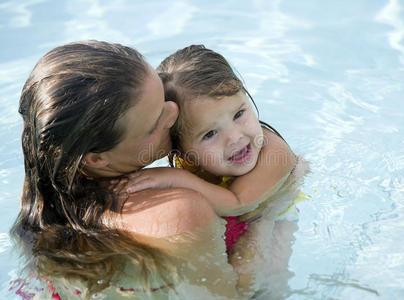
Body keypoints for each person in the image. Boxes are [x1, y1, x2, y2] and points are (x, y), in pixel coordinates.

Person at [10, 40, 303, 299]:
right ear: (96, 159)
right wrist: (269, 218)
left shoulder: (55, 211)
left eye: (162, 98)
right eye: (154, 120)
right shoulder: (178, 211)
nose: (175, 113)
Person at [112, 45, 305, 297]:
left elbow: (239, 203)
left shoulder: (273, 151)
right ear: (180, 148)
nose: (235, 138)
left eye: (239, 114)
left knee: (252, 282)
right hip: (244, 215)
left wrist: (172, 178)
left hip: (273, 216)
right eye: (210, 134)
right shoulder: (192, 159)